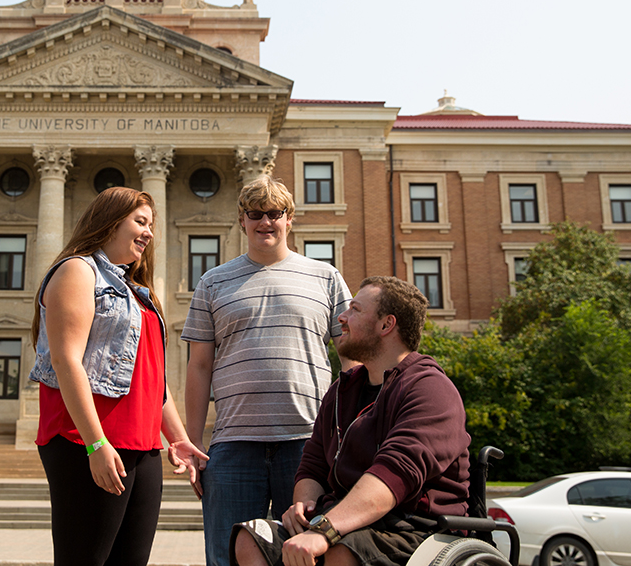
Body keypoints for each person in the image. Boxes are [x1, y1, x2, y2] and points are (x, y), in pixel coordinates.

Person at [231, 276, 471, 566]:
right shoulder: (342, 390)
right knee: (253, 538)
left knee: (341, 551)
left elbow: (394, 475)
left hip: (416, 529)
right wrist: (303, 508)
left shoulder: (430, 389)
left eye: (355, 310)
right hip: (343, 523)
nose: (342, 318)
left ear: (386, 325)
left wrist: (325, 530)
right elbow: (313, 465)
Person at [28, 187, 208, 566]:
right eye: (140, 222)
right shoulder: (77, 270)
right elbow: (66, 361)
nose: (149, 233)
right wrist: (96, 444)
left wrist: (178, 439)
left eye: (152, 225)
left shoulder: (137, 291)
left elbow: (152, 380)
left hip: (142, 447)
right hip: (86, 440)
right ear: (110, 221)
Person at [181, 176, 355, 566]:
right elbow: (199, 365)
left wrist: (354, 428)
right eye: (255, 214)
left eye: (274, 213)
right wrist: (193, 444)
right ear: (242, 220)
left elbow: (352, 358)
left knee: (308, 556)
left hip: (309, 444)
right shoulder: (212, 282)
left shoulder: (325, 277)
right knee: (228, 557)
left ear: (289, 219)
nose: (265, 222)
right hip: (232, 447)